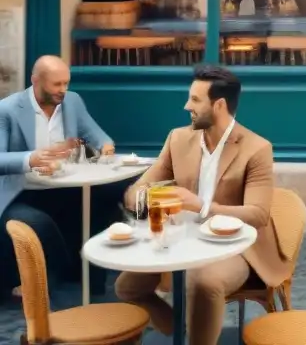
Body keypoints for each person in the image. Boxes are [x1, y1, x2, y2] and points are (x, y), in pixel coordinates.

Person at [116, 65, 287, 345]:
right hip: (181, 238)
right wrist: (144, 199)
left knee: (202, 282)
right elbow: (138, 188)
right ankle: (180, 330)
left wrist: (201, 206)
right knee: (127, 287)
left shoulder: (256, 149)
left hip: (235, 246)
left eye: (195, 100)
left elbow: (257, 214)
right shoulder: (178, 138)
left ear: (219, 105)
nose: (186, 106)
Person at [0, 55, 118, 299]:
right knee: (39, 223)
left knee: (105, 201)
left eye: (66, 83)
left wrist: (105, 146)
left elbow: (97, 135)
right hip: (20, 191)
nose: (63, 90)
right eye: (57, 85)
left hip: (65, 185)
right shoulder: (7, 110)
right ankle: (60, 272)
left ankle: (94, 284)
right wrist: (30, 159)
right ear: (36, 81)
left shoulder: (72, 101)